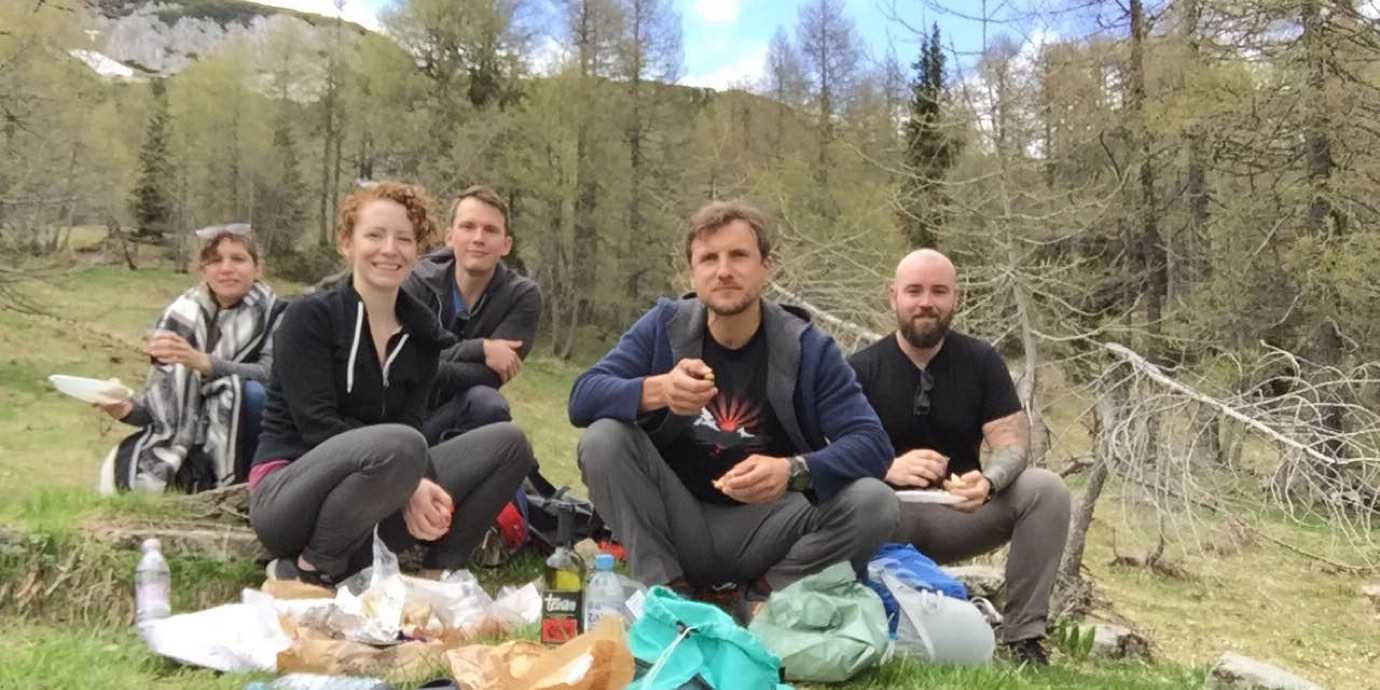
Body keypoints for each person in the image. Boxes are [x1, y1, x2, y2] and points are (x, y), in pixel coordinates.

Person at [569, 200, 898, 608]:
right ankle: (668, 594)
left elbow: (873, 444)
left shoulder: (808, 347)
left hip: (770, 524)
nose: (723, 270)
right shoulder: (663, 327)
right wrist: (657, 390)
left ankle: (763, 600)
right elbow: (582, 398)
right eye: (709, 258)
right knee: (603, 439)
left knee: (874, 501)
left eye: (739, 255)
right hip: (677, 517)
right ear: (693, 272)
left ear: (766, 267)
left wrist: (794, 470)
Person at [248, 182, 537, 586]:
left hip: (376, 499)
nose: (390, 249)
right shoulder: (308, 318)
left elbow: (414, 428)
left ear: (418, 252)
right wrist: (410, 478)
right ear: (347, 243)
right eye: (374, 235)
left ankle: (439, 570)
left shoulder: (422, 334)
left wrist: (424, 485)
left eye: (404, 239)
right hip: (290, 496)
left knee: (510, 444)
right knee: (403, 447)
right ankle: (312, 568)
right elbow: (316, 426)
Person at [848, 249, 1071, 666]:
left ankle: (1022, 637)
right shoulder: (861, 368)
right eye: (914, 290)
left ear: (957, 299)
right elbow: (831, 451)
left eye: (939, 291)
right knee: (850, 494)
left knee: (1046, 489)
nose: (926, 302)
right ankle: (857, 622)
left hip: (961, 512)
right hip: (886, 515)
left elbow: (1011, 443)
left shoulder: (982, 361)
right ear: (892, 296)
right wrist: (885, 467)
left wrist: (988, 482)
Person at [98, 226, 284, 494]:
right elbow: (161, 412)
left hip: (258, 441)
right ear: (202, 270)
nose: (226, 268)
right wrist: (123, 409)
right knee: (133, 470)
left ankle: (249, 485)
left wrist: (206, 363)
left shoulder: (280, 315)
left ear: (257, 269)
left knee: (249, 393)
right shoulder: (181, 318)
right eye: (215, 260)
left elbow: (271, 375)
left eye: (238, 259)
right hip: (190, 443)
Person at [401, 185, 542, 444]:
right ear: (449, 236)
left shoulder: (521, 296)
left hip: (454, 415)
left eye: (490, 230)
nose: (478, 238)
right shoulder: (415, 281)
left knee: (488, 403)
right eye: (468, 227)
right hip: (396, 416)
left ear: (506, 245)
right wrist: (481, 349)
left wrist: (430, 363)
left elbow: (490, 378)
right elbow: (403, 366)